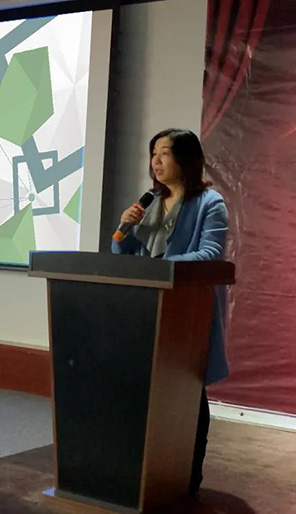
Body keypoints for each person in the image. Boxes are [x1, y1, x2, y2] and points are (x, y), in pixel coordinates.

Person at [111, 128, 229, 496]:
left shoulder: (210, 202)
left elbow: (210, 254)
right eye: (153, 154)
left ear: (187, 159)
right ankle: (147, 469)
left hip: (187, 311)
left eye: (164, 153)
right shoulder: (150, 202)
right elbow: (127, 255)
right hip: (149, 307)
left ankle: (188, 475)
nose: (156, 162)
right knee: (147, 390)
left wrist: (160, 268)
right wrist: (124, 228)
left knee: (188, 391)